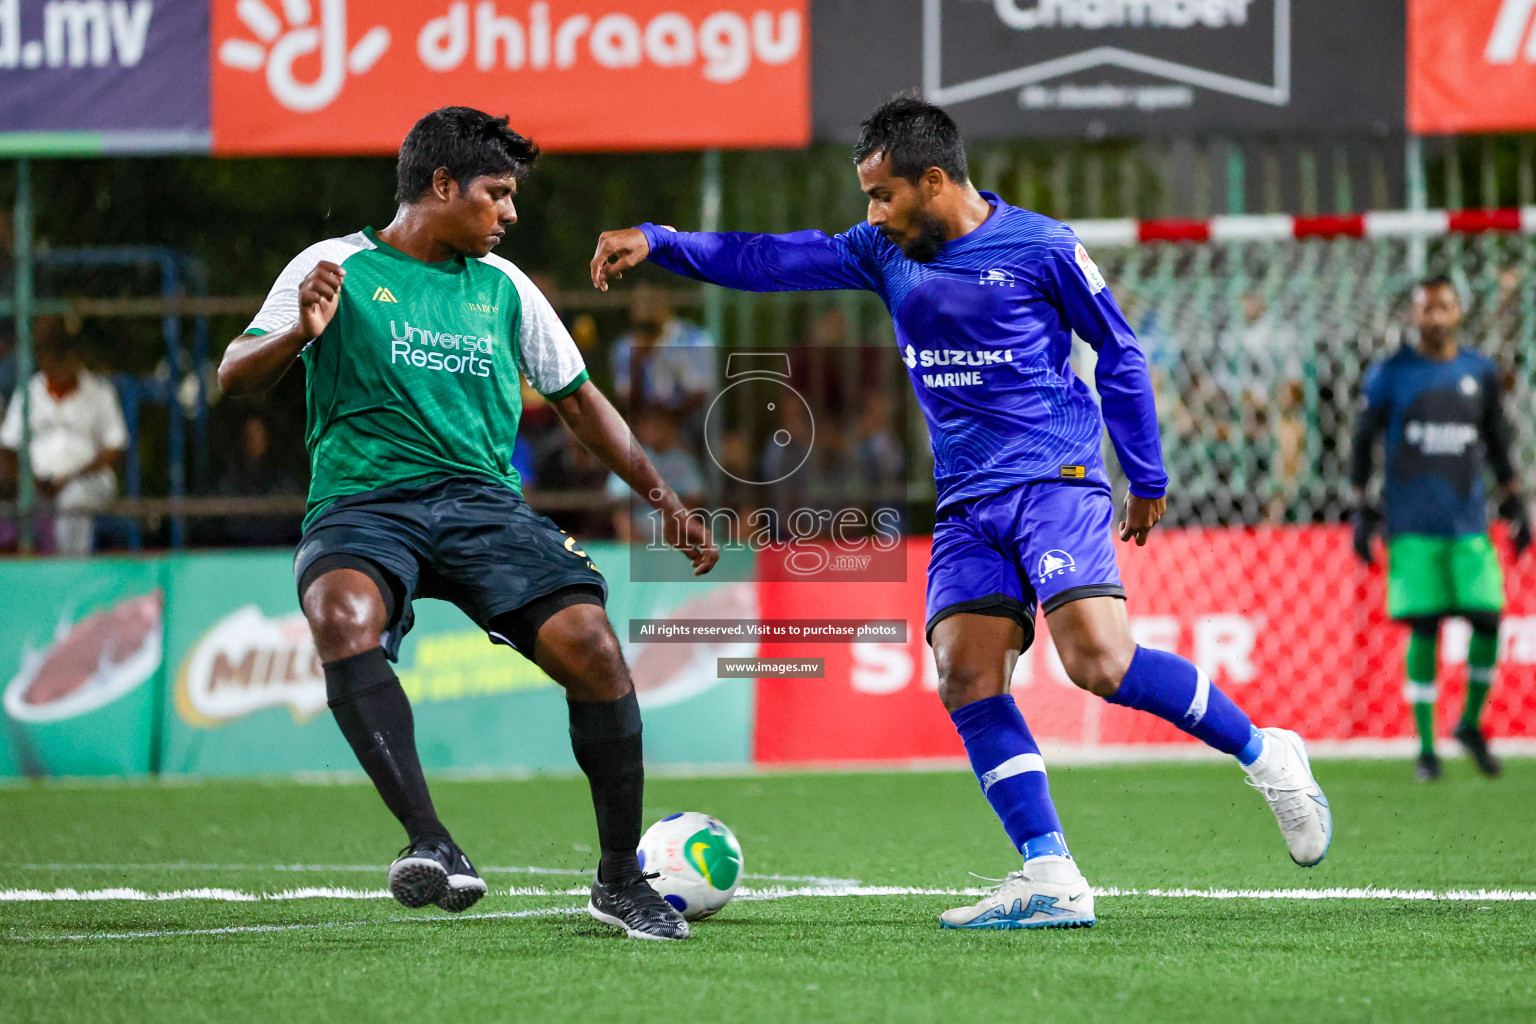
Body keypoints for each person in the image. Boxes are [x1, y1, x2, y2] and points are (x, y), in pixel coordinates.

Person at [591, 95, 1331, 930]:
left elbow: (1119, 349)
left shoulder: (1041, 246)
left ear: (933, 180)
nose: (870, 213)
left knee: (1099, 661)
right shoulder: (883, 251)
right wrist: (662, 241)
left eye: (883, 195)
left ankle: (1267, 754)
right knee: (965, 673)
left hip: (1055, 476)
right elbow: (773, 257)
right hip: (967, 501)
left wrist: (1145, 469)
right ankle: (1050, 872)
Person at [217, 106, 715, 941]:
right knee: (340, 612)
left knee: (593, 646)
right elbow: (234, 374)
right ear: (442, 186)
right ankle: (433, 842)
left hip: (483, 506)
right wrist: (296, 333)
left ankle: (621, 879)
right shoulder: (332, 265)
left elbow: (582, 405)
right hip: (365, 504)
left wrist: (665, 502)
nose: (510, 214)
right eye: (498, 194)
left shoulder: (507, 288)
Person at [1350, 276, 1529, 782]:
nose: (1436, 316)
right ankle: (1426, 748)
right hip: (1412, 526)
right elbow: (1363, 441)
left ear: (1459, 312)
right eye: (1427, 308)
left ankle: (1470, 722)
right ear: (1414, 315)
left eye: (1445, 307)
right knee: (1425, 628)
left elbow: (1497, 439)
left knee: (1489, 618)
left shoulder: (1480, 371)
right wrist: (1361, 506)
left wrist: (1515, 498)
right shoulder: (1391, 373)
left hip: (1470, 524)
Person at [0, 321, 127, 556]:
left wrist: (71, 477)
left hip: (88, 481)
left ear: (76, 358)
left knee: (72, 502)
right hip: (37, 483)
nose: (59, 365)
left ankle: (69, 570)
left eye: (65, 357)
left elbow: (115, 447)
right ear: (42, 359)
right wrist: (33, 480)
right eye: (52, 357)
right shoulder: (28, 392)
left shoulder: (99, 391)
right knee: (15, 509)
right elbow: (8, 446)